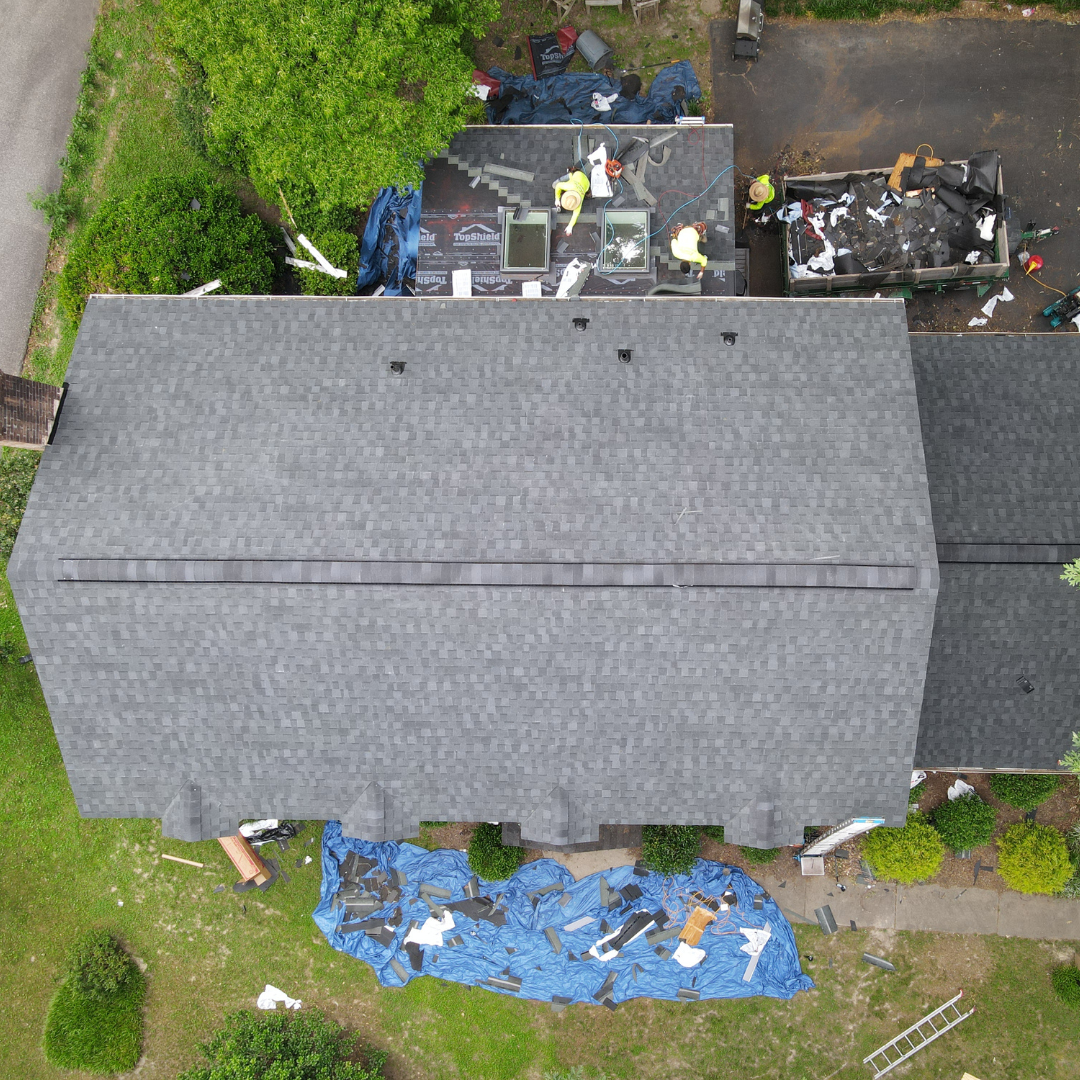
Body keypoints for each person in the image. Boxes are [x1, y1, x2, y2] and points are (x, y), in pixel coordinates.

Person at [553, 168, 591, 236]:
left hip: (584, 181)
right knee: (554, 185)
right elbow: (558, 185)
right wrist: (557, 199)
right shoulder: (569, 186)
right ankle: (569, 174)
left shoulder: (580, 199)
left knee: (555, 186)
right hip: (576, 175)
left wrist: (570, 226)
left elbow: (576, 214)